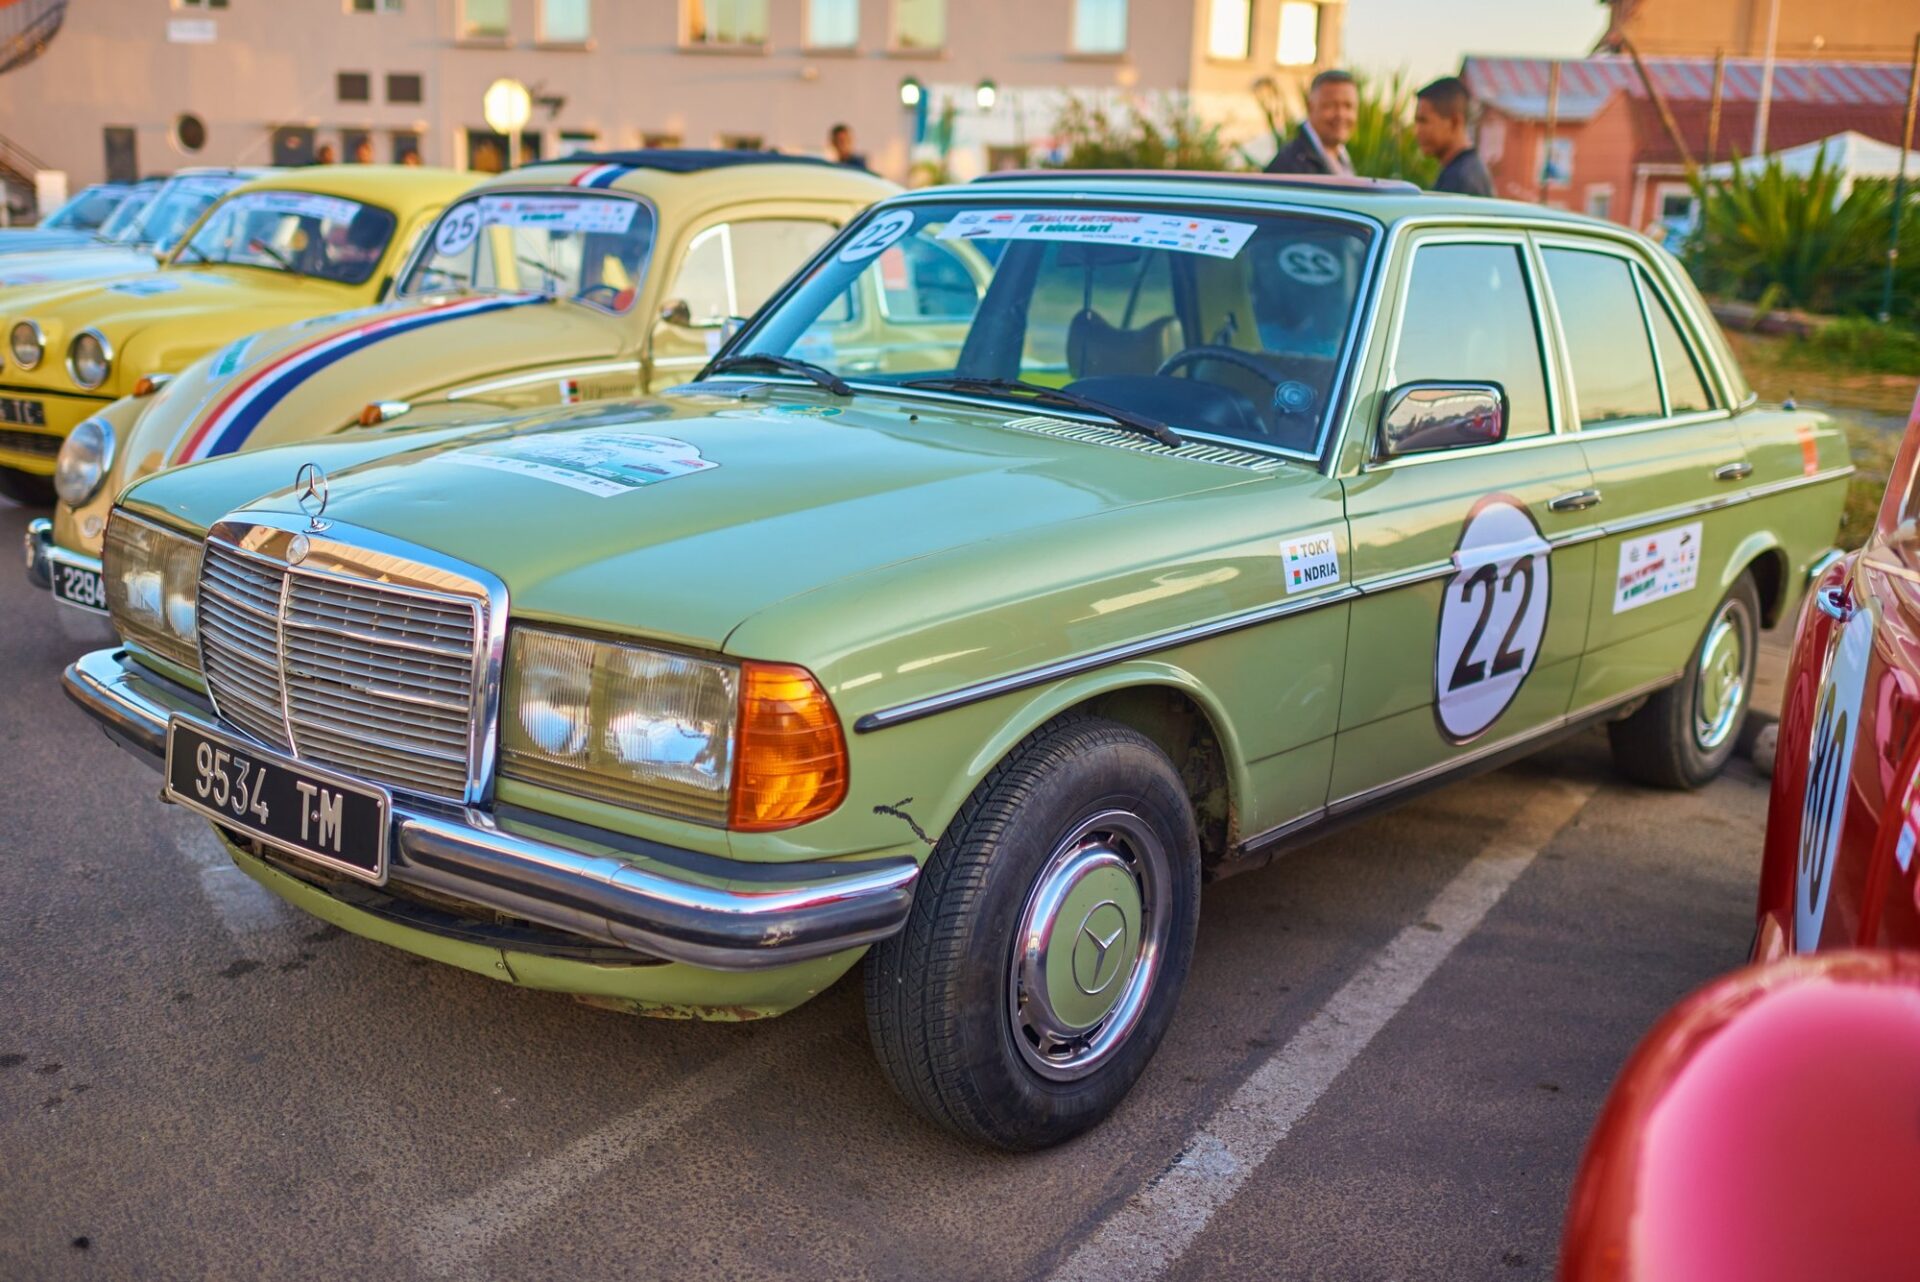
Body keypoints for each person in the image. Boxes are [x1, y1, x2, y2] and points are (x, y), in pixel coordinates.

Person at [1266, 70, 1358, 177]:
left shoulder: (1341, 157)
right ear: (1310, 107)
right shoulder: (1289, 166)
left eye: (1348, 106)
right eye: (1331, 106)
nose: (1341, 115)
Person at [1414, 76, 1494, 197]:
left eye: (1424, 121)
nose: (1417, 131)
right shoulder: (1464, 170)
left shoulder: (1460, 180)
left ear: (1454, 122)